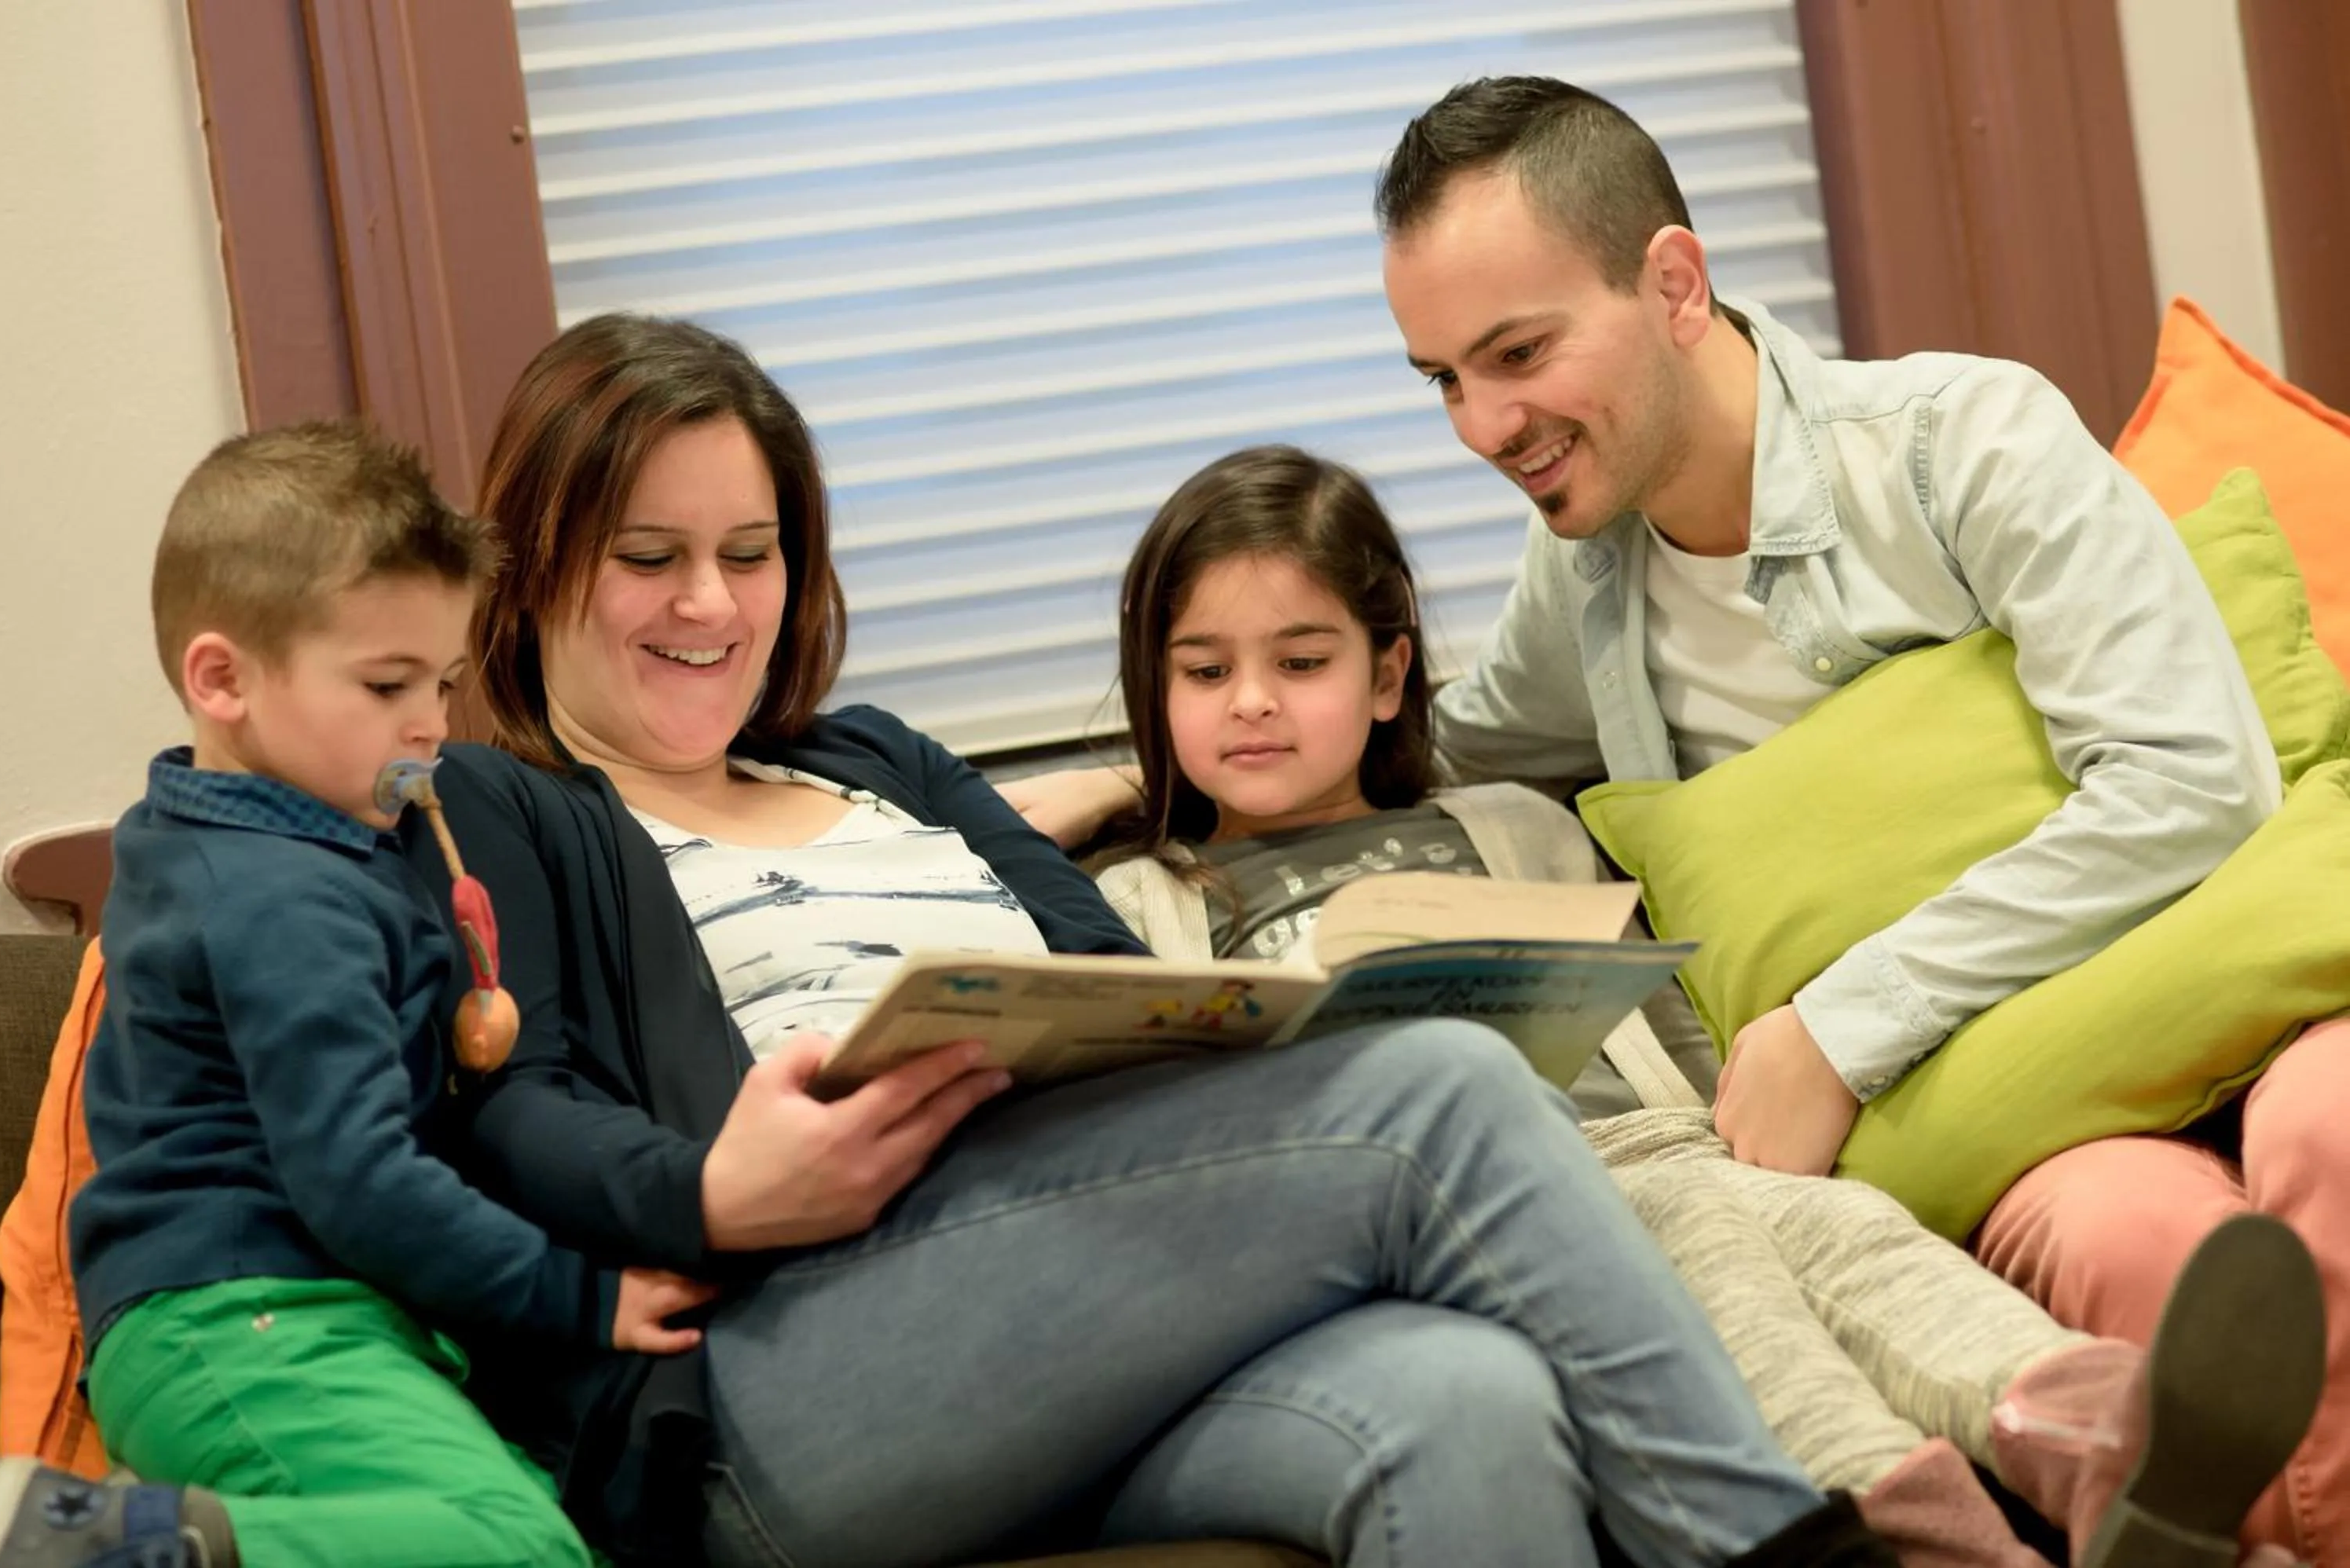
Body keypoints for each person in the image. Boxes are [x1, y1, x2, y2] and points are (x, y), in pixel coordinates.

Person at [999, 76, 2349, 1563]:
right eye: (1442, 378)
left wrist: (1836, 1027)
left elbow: (2190, 778)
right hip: (2013, 1099)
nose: (1484, 426)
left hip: (2234, 975)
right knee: (2137, 1247)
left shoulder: (1960, 441)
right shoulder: (1582, 584)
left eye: (1519, 354)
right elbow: (1400, 754)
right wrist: (1146, 788)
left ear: (1675, 286)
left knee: (2338, 1133)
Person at [408, 311, 1911, 1568]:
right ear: (530, 567)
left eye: (750, 552)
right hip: (788, 1366)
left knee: (1465, 1400)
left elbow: (1115, 981)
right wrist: (715, 1192)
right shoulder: (494, 803)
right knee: (1441, 1091)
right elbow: (507, 1107)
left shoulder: (877, 765)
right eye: (648, 555)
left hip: (1067, 1284)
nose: (710, 602)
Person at [1084, 438, 2322, 1568]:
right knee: (1706, 1250)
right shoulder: (1143, 900)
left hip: (1666, 1140)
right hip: (1456, 1224)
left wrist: (1745, 1132)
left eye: (1302, 663)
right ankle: (1937, 1536)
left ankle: (2113, 1439)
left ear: (1388, 673)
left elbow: (1662, 1017)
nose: (1253, 700)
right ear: (1158, 682)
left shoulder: (1509, 822)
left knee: (1845, 1232)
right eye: (1207, 670)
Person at [0, 425, 712, 1568]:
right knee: (516, 1546)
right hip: (245, 1319)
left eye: (442, 682)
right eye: (386, 685)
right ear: (221, 679)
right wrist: (579, 1296)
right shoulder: (285, 903)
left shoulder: (202, 837)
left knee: (522, 1516)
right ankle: (91, 1547)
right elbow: (361, 1181)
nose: (430, 723)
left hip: (233, 1323)